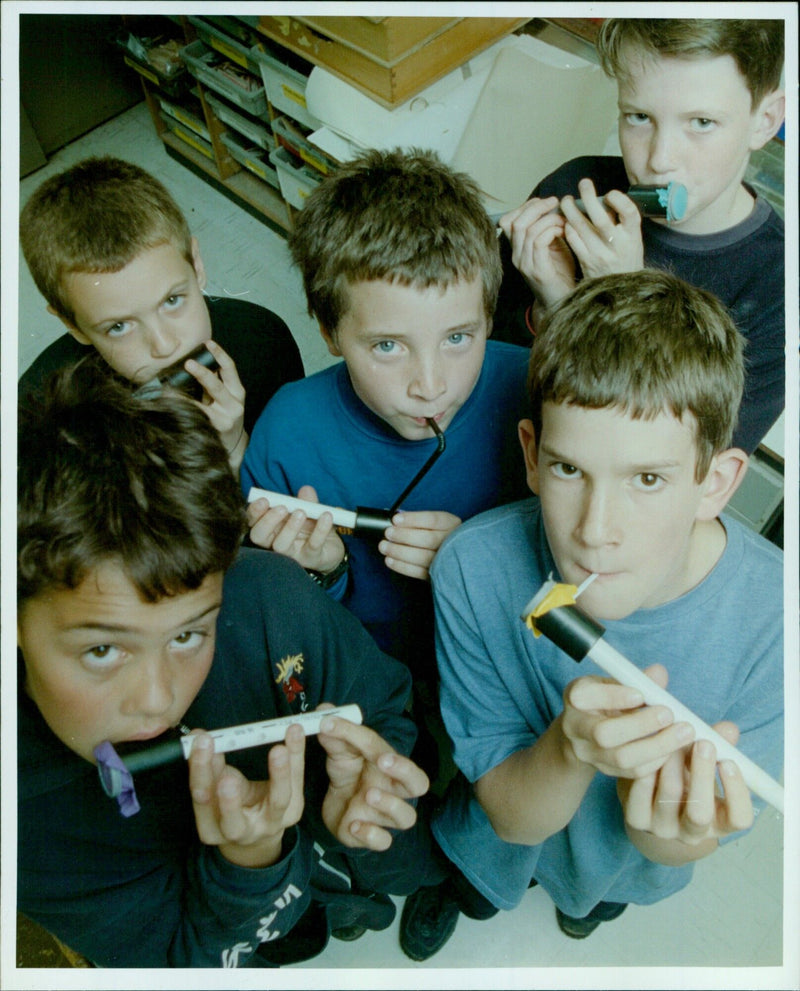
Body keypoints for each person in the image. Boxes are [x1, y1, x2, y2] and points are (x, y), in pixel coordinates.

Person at [399, 270, 784, 961]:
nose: (594, 531)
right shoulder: (473, 569)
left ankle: (585, 906)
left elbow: (679, 841)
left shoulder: (778, 621)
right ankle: (466, 888)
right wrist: (570, 745)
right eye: (570, 469)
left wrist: (666, 824)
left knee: (594, 900)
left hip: (627, 860)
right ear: (531, 455)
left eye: (648, 478)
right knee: (479, 879)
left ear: (716, 482)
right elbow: (511, 816)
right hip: (501, 828)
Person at [17, 362, 446, 968]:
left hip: (339, 873)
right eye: (103, 649)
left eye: (190, 634)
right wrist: (252, 862)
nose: (158, 699)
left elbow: (381, 707)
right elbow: (177, 960)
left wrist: (364, 796)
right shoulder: (27, 818)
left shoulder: (270, 595)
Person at [240, 148, 531, 701]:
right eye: (389, 346)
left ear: (490, 317)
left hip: (498, 667)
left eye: (457, 338)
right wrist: (319, 574)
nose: (430, 385)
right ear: (329, 331)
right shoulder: (286, 433)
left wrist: (480, 561)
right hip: (365, 672)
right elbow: (279, 621)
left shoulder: (535, 392)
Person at [494, 18, 785, 455]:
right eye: (638, 117)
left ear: (764, 121)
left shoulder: (779, 287)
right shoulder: (576, 184)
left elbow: (685, 465)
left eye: (701, 122)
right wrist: (551, 308)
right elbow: (484, 374)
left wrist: (616, 299)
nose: (659, 160)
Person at [19, 156, 304, 469]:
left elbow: (288, 474)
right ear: (72, 324)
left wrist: (234, 447)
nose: (165, 346)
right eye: (118, 326)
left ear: (196, 265)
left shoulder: (263, 340)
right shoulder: (42, 420)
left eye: (172, 300)